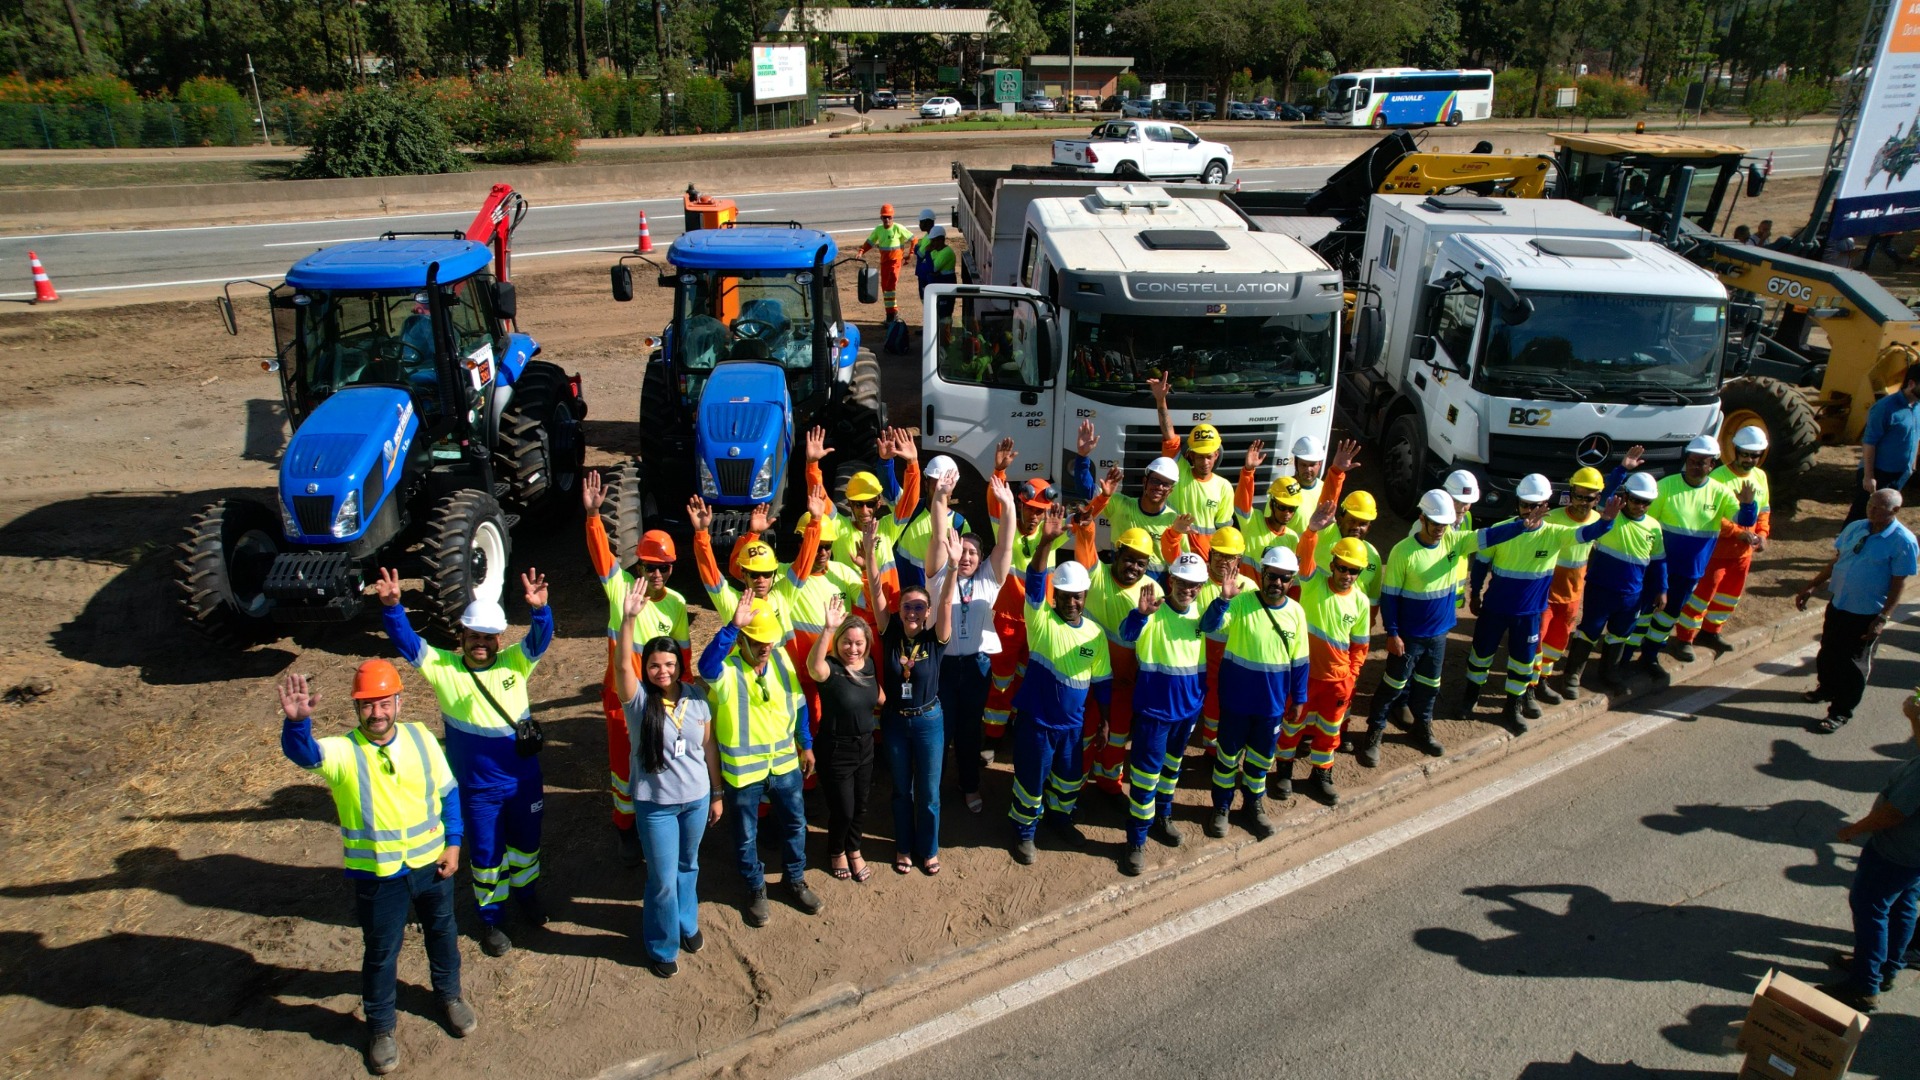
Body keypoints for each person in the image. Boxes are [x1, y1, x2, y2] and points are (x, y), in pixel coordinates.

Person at [278, 665, 475, 1075]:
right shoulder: (344, 753)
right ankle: (382, 1028)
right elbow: (306, 755)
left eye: (384, 703)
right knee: (382, 954)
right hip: (379, 877)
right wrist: (298, 725)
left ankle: (450, 996)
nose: (377, 713)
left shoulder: (422, 738)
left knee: (443, 935)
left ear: (398, 702)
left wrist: (454, 845)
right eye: (368, 705)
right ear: (356, 708)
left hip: (432, 866)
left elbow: (448, 792)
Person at [375, 567, 551, 958]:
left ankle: (527, 895)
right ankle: (491, 919)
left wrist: (540, 611)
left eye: (488, 637)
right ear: (463, 638)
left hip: (523, 783)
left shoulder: (514, 663)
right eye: (474, 636)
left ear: (499, 638)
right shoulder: (445, 670)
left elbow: (540, 641)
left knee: (526, 846)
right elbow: (409, 644)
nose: (482, 644)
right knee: (487, 856)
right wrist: (392, 608)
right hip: (478, 791)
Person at [1368, 490, 1531, 764]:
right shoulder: (1402, 551)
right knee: (1393, 687)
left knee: (1430, 686)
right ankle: (1374, 734)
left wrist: (1522, 525)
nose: (1440, 531)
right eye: (1435, 525)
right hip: (1408, 637)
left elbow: (1490, 536)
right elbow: (1390, 597)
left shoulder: (1454, 541)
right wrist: (1393, 633)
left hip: (1438, 635)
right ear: (1422, 519)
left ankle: (1423, 729)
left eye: (1444, 525)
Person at [583, 470, 690, 867]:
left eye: (662, 567)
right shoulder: (622, 588)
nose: (655, 574)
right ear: (638, 565)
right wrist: (594, 517)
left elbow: (684, 660)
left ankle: (656, 825)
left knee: (657, 762)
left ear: (672, 569)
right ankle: (624, 828)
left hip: (661, 699)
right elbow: (601, 558)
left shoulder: (677, 604)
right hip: (621, 698)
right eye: (649, 566)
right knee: (622, 767)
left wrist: (686, 699)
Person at [698, 594, 821, 925]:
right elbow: (704, 666)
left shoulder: (781, 659)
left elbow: (798, 704)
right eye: (758, 641)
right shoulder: (726, 671)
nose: (766, 646)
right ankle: (755, 888)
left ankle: (794, 879)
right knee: (747, 836)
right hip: (744, 775)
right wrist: (731, 627)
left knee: (796, 825)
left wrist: (805, 745)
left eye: (769, 640)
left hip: (784, 766)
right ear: (742, 640)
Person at [1463, 475, 1620, 732]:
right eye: (1525, 505)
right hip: (1495, 609)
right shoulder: (1500, 529)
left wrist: (1607, 520)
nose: (1529, 512)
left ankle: (1512, 707)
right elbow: (1480, 565)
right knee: (1480, 655)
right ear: (1517, 503)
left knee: (1523, 662)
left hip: (1531, 614)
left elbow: (1589, 532)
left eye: (1536, 506)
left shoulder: (1555, 534)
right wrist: (1476, 594)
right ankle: (1470, 697)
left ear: (1546, 505)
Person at [615, 601, 719, 980]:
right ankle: (662, 943)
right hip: (656, 805)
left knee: (688, 866)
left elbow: (707, 747)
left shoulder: (695, 697)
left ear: (679, 665)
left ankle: (685, 922)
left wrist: (717, 792)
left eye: (670, 664)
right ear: (647, 668)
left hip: (696, 799)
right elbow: (622, 666)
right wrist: (627, 620)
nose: (662, 671)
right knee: (661, 878)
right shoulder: (639, 702)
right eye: (655, 665)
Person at [1009, 508, 1113, 864]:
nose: (1071, 602)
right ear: (1056, 597)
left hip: (1073, 727)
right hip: (1037, 724)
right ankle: (1025, 831)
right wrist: (1047, 543)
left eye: (1077, 596)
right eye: (1065, 596)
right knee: (1030, 780)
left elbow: (1102, 681)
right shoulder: (1040, 620)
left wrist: (1104, 720)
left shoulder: (1095, 633)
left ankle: (1059, 818)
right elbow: (1036, 580)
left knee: (1068, 780)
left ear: (1085, 596)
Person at [866, 515, 961, 874]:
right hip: (894, 722)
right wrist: (869, 550)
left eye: (920, 607)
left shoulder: (934, 638)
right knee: (901, 791)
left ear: (926, 613)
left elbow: (948, 601)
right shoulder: (889, 633)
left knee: (930, 794)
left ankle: (929, 848)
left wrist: (952, 566)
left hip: (928, 720)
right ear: (900, 609)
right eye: (908, 606)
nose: (914, 612)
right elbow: (875, 589)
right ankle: (904, 846)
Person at [1818, 689, 1920, 1012]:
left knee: (1871, 906)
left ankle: (1865, 984)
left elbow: (1894, 813)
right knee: (1903, 905)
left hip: (1895, 852)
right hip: (1913, 858)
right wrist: (1914, 718)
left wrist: (1856, 828)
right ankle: (1887, 968)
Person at [1199, 545, 1309, 838]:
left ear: (1292, 581)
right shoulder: (1241, 602)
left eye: (1285, 578)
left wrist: (1299, 698)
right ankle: (1221, 807)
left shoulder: (1296, 613)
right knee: (1226, 760)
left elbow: (1300, 661)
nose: (1277, 583)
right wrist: (1223, 599)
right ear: (1262, 574)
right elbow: (1207, 626)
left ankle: (1252, 806)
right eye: (1273, 576)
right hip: (1236, 702)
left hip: (1271, 706)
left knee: (1260, 762)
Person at [928, 473, 1019, 814]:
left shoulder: (989, 581)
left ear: (981, 559)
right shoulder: (939, 576)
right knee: (940, 730)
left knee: (968, 732)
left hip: (977, 665)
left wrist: (1008, 507)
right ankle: (931, 788)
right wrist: (941, 496)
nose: (965, 556)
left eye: (971, 552)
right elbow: (939, 534)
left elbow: (1005, 545)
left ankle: (969, 785)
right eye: (960, 549)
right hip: (943, 666)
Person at [1117, 553, 1210, 874]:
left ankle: (1162, 816)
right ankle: (1136, 840)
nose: (1188, 590)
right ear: (1171, 581)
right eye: (1182, 582)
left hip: (1187, 713)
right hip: (1155, 714)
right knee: (1145, 776)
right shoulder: (1152, 612)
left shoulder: (1202, 613)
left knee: (1172, 770)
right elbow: (1127, 634)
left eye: (1194, 585)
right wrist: (1139, 616)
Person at [1796, 489, 1918, 732]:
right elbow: (1837, 560)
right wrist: (1812, 585)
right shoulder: (1856, 527)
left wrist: (1883, 617)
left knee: (1853, 665)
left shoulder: (1903, 541)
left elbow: (1898, 583)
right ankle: (1826, 689)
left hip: (1866, 613)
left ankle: (1840, 712)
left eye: (1878, 508)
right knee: (1828, 651)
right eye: (1870, 505)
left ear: (1895, 511)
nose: (1871, 511)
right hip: (1840, 603)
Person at [1638, 435, 1758, 670]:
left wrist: (1748, 504)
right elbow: (1646, 526)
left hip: (1690, 571)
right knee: (1642, 611)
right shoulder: (1666, 486)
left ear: (1711, 465)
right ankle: (1626, 654)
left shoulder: (1720, 492)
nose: (1695, 466)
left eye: (1702, 462)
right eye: (1692, 461)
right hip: (1658, 566)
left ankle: (1650, 656)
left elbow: (1743, 520)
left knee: (1670, 614)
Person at [1276, 536, 1373, 805]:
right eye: (1342, 568)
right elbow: (1305, 556)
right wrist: (1311, 532)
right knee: (1291, 726)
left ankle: (1321, 775)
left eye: (1354, 571)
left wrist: (1351, 678)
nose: (1347, 575)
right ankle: (1284, 772)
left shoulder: (1361, 602)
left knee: (1330, 731)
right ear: (1333, 564)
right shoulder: (1313, 582)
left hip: (1338, 682)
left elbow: (1360, 646)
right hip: (1304, 677)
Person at [1566, 471, 1666, 694]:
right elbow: (1602, 493)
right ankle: (1573, 673)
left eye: (1645, 502)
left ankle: (1609, 672)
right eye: (1635, 499)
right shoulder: (1609, 515)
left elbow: (1659, 561)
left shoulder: (1653, 527)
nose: (1639, 505)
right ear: (1626, 495)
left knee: (1620, 633)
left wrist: (1662, 588)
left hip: (1631, 595)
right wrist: (1622, 468)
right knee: (1589, 630)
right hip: (1600, 589)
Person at [1075, 523, 1157, 794]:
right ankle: (1075, 788)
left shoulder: (1153, 592)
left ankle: (1110, 785)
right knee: (1084, 735)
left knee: (1117, 738)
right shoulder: (1095, 574)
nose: (1134, 567)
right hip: (1087, 681)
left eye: (1141, 562)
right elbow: (1086, 537)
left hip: (1123, 686)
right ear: (1116, 554)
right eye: (1129, 559)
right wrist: (1089, 517)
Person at [1675, 426, 1772, 653]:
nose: (1749, 459)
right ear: (1735, 450)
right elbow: (1712, 516)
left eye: (1754, 455)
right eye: (1745, 454)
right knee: (1701, 596)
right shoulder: (1718, 477)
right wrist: (1738, 532)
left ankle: (1711, 633)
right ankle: (1684, 639)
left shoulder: (1760, 477)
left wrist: (1763, 535)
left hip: (1743, 555)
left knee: (1729, 596)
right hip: (1717, 552)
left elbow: (1764, 510)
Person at [807, 595, 883, 884]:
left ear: (866, 644)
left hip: (865, 747)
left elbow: (877, 696)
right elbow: (814, 668)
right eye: (846, 642)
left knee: (861, 805)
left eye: (858, 643)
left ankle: (854, 848)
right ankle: (836, 849)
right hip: (836, 749)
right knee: (844, 808)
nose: (852, 648)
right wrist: (827, 629)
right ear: (837, 642)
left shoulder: (869, 665)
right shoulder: (830, 668)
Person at [983, 453, 1058, 745]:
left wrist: (1100, 499)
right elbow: (994, 503)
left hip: (1037, 622)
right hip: (1006, 622)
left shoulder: (1052, 536)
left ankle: (1017, 722)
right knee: (1000, 677)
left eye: (1041, 511)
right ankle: (992, 733)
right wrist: (999, 470)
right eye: (1029, 509)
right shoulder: (1006, 529)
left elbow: (1086, 522)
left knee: (1028, 676)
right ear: (1021, 506)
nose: (1034, 516)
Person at [1533, 465, 1612, 705]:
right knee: (1536, 642)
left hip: (1572, 596)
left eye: (1589, 498)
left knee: (1557, 642)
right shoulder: (1552, 518)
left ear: (1597, 498)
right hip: (1545, 594)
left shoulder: (1599, 520)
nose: (1582, 502)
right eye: (1578, 495)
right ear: (1570, 492)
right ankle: (1529, 687)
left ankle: (1543, 680)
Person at [1149, 374, 1234, 555]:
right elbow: (1168, 433)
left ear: (1216, 455)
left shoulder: (1224, 487)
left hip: (1204, 561)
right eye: (1200, 456)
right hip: (1172, 552)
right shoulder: (1179, 469)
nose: (1205, 462)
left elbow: (1223, 531)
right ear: (1190, 456)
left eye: (1209, 456)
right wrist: (1161, 400)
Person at [1849, 363, 1920, 524]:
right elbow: (1869, 443)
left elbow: (1916, 437)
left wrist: (1912, 466)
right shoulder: (1884, 408)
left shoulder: (1917, 407)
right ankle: (1848, 545)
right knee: (1860, 516)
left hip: (1901, 473)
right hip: (1879, 473)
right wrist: (1868, 477)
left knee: (1883, 516)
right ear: (1911, 384)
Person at [858, 202, 915, 321]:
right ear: (881, 218)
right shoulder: (878, 230)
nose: (887, 219)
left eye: (889, 217)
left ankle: (892, 314)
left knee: (890, 287)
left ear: (892, 217)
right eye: (884, 217)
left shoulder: (898, 228)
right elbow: (870, 242)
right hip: (884, 263)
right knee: (885, 288)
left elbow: (914, 239)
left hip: (895, 262)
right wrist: (862, 251)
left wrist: (910, 254)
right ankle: (891, 313)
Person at [912, 208, 939, 296]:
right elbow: (917, 248)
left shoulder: (930, 237)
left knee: (925, 298)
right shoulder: (928, 235)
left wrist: (917, 248)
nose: (919, 225)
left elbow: (919, 253)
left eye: (921, 222)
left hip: (926, 274)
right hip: (924, 271)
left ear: (927, 222)